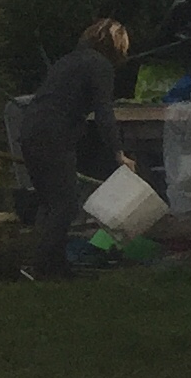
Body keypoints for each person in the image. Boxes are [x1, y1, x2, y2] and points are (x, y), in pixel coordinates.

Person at [19, 17, 132, 279]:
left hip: (31, 130)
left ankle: (56, 266)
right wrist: (119, 153)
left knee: (52, 203)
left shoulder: (69, 60)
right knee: (66, 204)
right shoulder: (100, 65)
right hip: (54, 135)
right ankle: (45, 267)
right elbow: (104, 112)